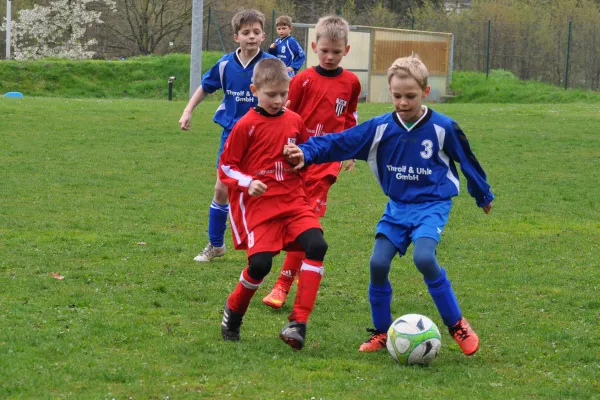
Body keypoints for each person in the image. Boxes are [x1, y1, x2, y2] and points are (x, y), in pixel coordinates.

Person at [283, 54, 495, 356]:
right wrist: (305, 152)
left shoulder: (443, 127)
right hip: (397, 207)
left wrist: (482, 195)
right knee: (378, 264)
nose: (403, 102)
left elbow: (467, 160)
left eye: (410, 96)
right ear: (389, 93)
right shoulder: (380, 128)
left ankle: (457, 324)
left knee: (424, 257)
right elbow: (339, 142)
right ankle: (382, 331)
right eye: (397, 96)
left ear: (425, 92)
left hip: (432, 205)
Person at [219, 58, 329, 351]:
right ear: (255, 90)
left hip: (293, 201)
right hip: (261, 207)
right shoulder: (245, 126)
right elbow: (226, 167)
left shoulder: (294, 120)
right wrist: (248, 183)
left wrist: (301, 155)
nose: (278, 100)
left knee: (317, 245)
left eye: (283, 94)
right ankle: (233, 312)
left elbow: (307, 153)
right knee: (260, 264)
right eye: (271, 94)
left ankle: (298, 323)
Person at [262, 15, 361, 309]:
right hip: (298, 159)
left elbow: (350, 119)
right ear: (315, 46)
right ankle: (269, 268)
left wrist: (351, 150)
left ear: (347, 49)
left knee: (309, 224)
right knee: (285, 221)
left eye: (337, 52)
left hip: (326, 163)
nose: (330, 57)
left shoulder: (352, 83)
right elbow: (286, 115)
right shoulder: (303, 80)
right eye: (325, 51)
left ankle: (282, 286)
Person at [178, 9, 276, 262]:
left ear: (263, 35)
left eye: (256, 32)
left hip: (263, 137)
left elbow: (286, 96)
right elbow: (205, 88)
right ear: (236, 37)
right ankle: (215, 245)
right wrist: (188, 111)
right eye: (246, 33)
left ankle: (263, 244)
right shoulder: (224, 65)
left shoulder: (270, 66)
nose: (251, 37)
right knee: (221, 188)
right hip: (232, 136)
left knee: (264, 191)